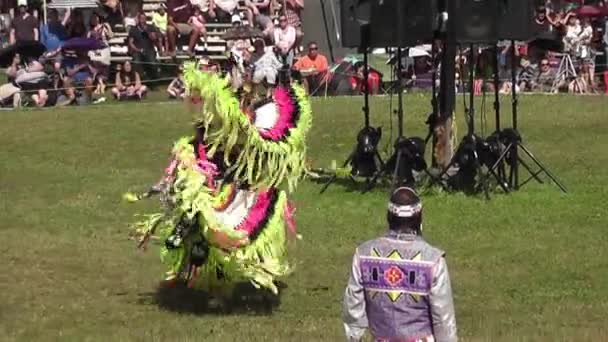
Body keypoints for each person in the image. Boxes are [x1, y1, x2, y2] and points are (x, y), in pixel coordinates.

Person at [343, 187, 457, 342]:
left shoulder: (363, 255)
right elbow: (444, 322)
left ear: (389, 217)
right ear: (419, 218)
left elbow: (353, 312)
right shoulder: (433, 261)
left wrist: (355, 337)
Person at [128, 12, 159, 81]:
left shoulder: (150, 27)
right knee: (136, 62)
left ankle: (154, 78)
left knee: (152, 63)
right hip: (137, 50)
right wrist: (137, 50)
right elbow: (131, 43)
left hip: (149, 49)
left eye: (144, 19)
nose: (143, 20)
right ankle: (140, 79)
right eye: (141, 19)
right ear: (138, 19)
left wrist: (147, 31)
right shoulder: (133, 29)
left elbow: (154, 38)